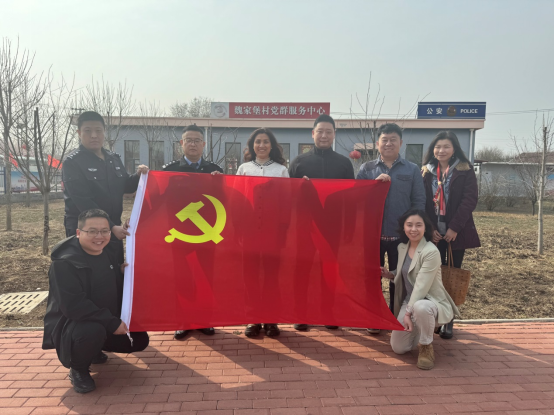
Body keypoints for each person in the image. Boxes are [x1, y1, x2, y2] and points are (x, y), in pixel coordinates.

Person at [42, 209, 149, 394]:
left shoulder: (105, 251)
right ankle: (78, 369)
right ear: (78, 232)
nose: (99, 237)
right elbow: (73, 306)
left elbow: (104, 283)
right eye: (92, 231)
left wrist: (120, 273)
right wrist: (111, 322)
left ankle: (94, 349)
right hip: (72, 325)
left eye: (104, 231)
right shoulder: (64, 263)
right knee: (92, 331)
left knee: (139, 340)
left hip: (101, 318)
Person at [356, 123, 426, 335]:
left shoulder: (412, 169)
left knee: (400, 279)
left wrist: (413, 231)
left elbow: (419, 202)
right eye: (384, 140)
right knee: (372, 278)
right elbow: (357, 199)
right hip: (373, 236)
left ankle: (396, 317)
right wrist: (374, 185)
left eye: (393, 139)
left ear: (400, 143)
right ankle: (374, 317)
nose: (388, 143)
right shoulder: (366, 169)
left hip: (401, 237)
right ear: (377, 143)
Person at [289, 114, 355, 332]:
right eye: (320, 131)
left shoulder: (344, 164)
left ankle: (329, 312)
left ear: (334, 134)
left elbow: (350, 198)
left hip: (333, 227)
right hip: (305, 226)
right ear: (313, 134)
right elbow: (288, 197)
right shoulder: (299, 162)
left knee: (330, 270)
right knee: (302, 269)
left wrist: (349, 228)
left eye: (328, 132)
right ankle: (300, 313)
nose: (324, 135)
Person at [62, 111, 148, 265]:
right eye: (88, 131)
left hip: (112, 227)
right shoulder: (73, 162)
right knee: (91, 271)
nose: (94, 135)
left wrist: (138, 175)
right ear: (79, 133)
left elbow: (126, 186)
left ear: (104, 132)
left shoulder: (113, 158)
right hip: (88, 230)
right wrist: (110, 227)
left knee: (115, 269)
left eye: (98, 130)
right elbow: (83, 201)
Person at [163, 124, 223, 340]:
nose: (193, 144)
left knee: (206, 277)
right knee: (182, 277)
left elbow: (224, 200)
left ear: (204, 144)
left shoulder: (215, 170)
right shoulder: (169, 170)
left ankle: (204, 320)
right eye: (189, 140)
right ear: (182, 143)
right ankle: (184, 321)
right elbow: (158, 199)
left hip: (207, 234)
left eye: (197, 140)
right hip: (180, 233)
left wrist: (219, 183)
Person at [381, 209, 459, 370]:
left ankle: (426, 346)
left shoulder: (431, 251)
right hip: (410, 301)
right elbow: (406, 273)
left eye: (418, 225)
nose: (413, 229)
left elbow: (421, 286)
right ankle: (422, 327)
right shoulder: (402, 247)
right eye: (409, 225)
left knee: (420, 307)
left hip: (431, 302)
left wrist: (408, 313)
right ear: (403, 227)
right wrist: (389, 274)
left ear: (425, 228)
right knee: (399, 348)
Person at [422, 131, 480, 339]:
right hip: (433, 233)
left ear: (454, 148)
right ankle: (435, 317)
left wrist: (454, 227)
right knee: (434, 275)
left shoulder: (464, 170)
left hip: (456, 232)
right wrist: (430, 229)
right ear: (433, 150)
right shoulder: (426, 171)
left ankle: (449, 320)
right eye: (438, 147)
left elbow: (469, 200)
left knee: (452, 274)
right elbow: (422, 201)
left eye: (446, 146)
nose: (441, 150)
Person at [232, 128, 289, 338]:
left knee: (272, 277)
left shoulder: (281, 170)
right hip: (249, 232)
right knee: (251, 276)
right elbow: (236, 201)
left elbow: (286, 203)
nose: (262, 145)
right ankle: (253, 318)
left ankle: (271, 319)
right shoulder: (244, 169)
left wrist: (283, 232)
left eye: (266, 141)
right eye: (258, 141)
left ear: (272, 145)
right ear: (252, 145)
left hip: (273, 233)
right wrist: (238, 230)